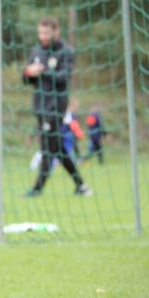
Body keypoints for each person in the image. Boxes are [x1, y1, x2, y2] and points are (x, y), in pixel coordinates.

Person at [23, 16, 92, 197]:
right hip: (40, 106)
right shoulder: (36, 51)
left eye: (46, 33)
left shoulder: (66, 52)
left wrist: (43, 70)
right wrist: (29, 72)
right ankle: (81, 185)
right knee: (57, 147)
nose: (43, 36)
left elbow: (63, 78)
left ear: (56, 32)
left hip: (56, 107)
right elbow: (26, 78)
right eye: (40, 32)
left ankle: (37, 189)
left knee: (48, 147)